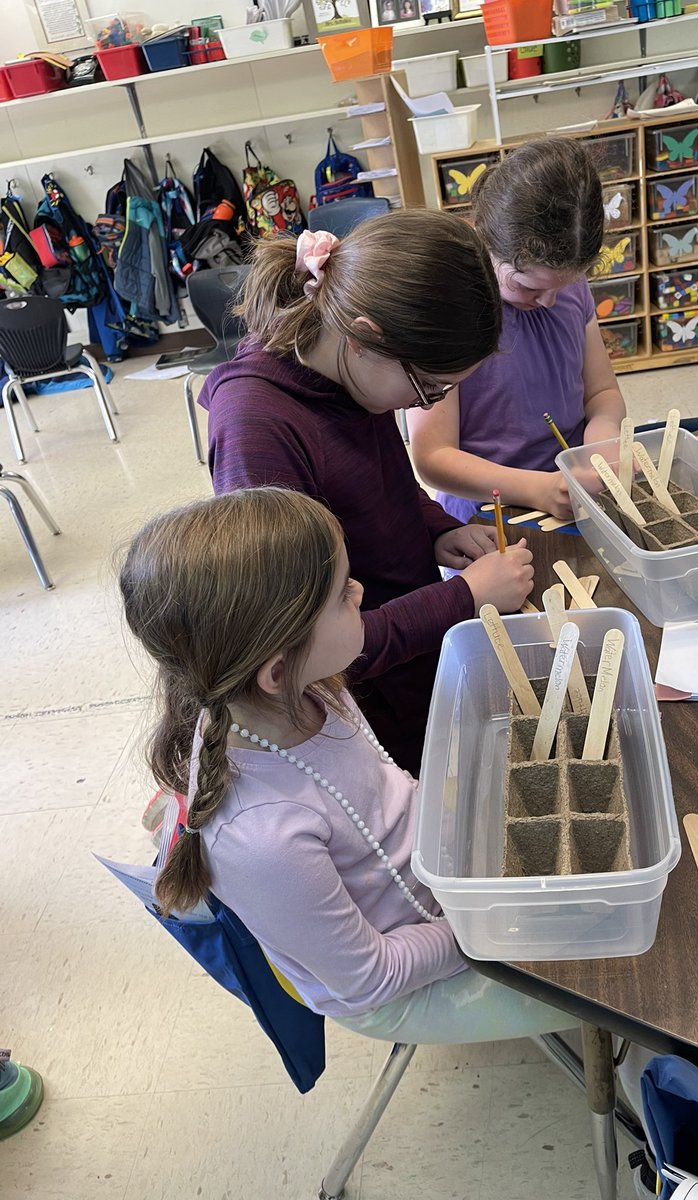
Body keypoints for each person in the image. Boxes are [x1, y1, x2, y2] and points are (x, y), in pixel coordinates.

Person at [119, 487, 570, 1043]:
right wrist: (482, 926)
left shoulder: (313, 689)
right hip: (402, 981)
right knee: (623, 972)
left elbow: (383, 791)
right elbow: (367, 979)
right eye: (339, 594)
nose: (358, 590)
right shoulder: (260, 837)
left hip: (439, 885)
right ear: (276, 671)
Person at [199, 212, 533, 775]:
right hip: (359, 710)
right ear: (366, 336)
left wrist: (436, 528)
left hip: (412, 658)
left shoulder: (347, 372)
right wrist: (464, 598)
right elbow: (305, 648)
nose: (428, 404)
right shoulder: (257, 432)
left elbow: (386, 483)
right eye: (429, 387)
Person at [408, 138, 627, 524]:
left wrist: (602, 438)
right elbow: (432, 458)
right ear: (486, 241)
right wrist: (537, 489)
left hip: (575, 493)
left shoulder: (562, 279)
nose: (548, 301)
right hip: (488, 511)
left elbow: (602, 391)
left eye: (566, 284)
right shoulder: (449, 306)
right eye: (528, 286)